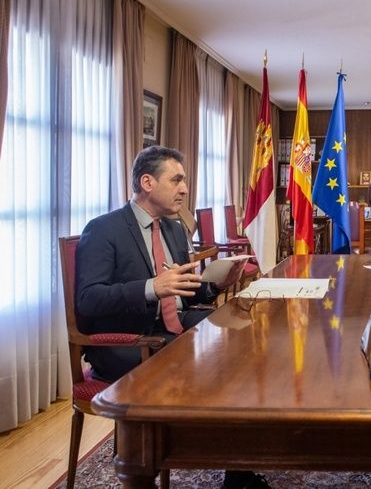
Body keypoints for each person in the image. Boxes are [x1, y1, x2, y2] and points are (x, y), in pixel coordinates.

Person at [76, 146, 268, 489]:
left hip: (172, 328)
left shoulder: (175, 229)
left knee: (245, 344)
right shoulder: (104, 230)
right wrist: (151, 287)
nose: (184, 189)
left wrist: (216, 284)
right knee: (211, 366)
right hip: (129, 341)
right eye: (176, 180)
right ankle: (156, 457)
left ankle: (237, 470)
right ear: (147, 182)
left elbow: (187, 294)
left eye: (185, 181)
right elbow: (88, 301)